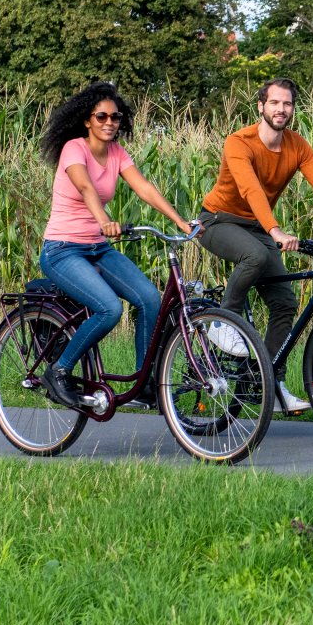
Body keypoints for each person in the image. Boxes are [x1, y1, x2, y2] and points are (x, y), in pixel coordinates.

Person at [199, 77, 313, 411]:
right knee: (252, 255)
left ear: (293, 109)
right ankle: (222, 322)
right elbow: (251, 189)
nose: (282, 109)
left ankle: (270, 383)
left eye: (288, 104)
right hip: (218, 221)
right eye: (275, 103)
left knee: (284, 304)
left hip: (258, 227)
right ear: (261, 106)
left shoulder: (297, 145)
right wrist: (276, 231)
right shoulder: (240, 142)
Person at [36, 82, 193, 411]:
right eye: (102, 116)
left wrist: (180, 221)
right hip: (63, 250)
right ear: (87, 120)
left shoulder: (118, 153)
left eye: (115, 117)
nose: (109, 122)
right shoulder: (74, 149)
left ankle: (145, 382)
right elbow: (84, 185)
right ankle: (59, 370)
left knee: (150, 299)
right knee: (109, 309)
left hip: (97, 249)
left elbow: (144, 188)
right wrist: (104, 219)